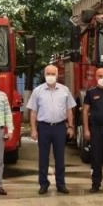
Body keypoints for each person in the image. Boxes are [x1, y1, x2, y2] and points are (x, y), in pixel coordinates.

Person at [27, 64, 76, 194]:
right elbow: (33, 112)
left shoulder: (65, 90)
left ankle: (61, 184)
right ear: (44, 75)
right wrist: (33, 129)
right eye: (47, 74)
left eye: (52, 74)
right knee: (43, 157)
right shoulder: (37, 91)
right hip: (43, 127)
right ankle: (43, 184)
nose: (50, 76)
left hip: (60, 127)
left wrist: (70, 126)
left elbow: (69, 109)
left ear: (57, 74)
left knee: (60, 157)